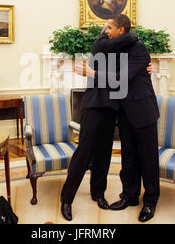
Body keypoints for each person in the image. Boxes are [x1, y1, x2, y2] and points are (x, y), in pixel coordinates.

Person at [81, 14, 160, 222]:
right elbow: (98, 45)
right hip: (124, 111)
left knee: (148, 159)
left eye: (109, 27)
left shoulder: (139, 49)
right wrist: (108, 32)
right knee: (129, 157)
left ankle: (150, 202)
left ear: (121, 30)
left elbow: (120, 78)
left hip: (143, 111)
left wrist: (92, 73)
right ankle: (130, 196)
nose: (105, 31)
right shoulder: (114, 45)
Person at [59, 24, 140, 221]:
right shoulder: (101, 44)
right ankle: (67, 199)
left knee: (104, 155)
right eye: (108, 28)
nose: (109, 31)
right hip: (94, 106)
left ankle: (98, 193)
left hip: (112, 109)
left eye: (112, 27)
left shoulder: (124, 51)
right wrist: (111, 31)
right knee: (83, 153)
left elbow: (124, 77)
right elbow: (129, 38)